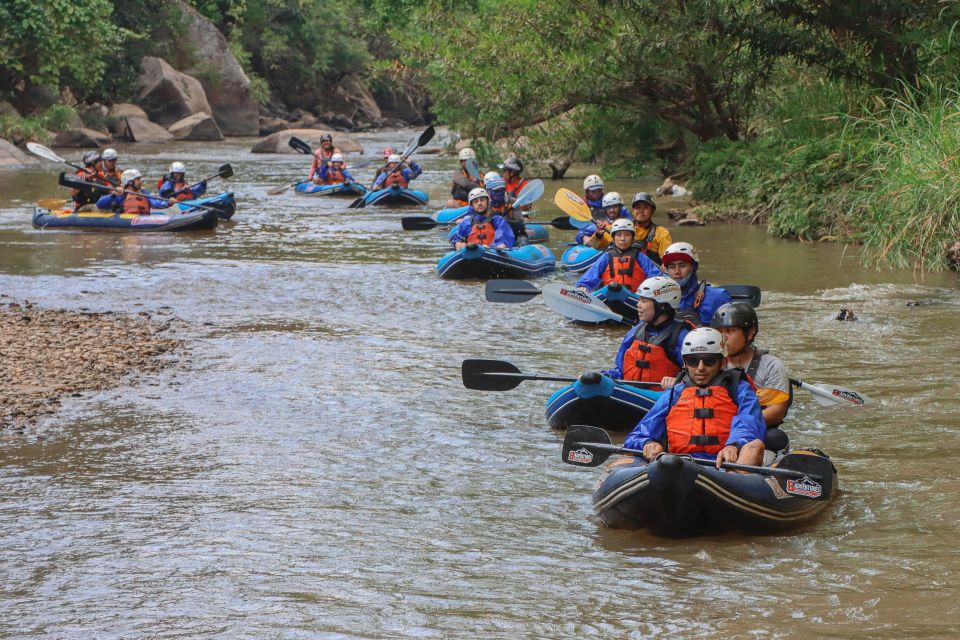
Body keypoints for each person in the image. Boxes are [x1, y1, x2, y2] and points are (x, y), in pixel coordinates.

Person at [623, 327, 766, 469]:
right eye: (693, 361)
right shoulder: (675, 393)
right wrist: (647, 443)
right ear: (685, 363)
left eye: (709, 361)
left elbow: (749, 421)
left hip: (724, 465)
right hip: (679, 466)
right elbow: (637, 435)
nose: (700, 367)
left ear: (721, 362)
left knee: (755, 446)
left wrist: (734, 445)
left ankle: (735, 481)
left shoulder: (738, 388)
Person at [602, 276, 693, 391]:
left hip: (661, 397)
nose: (638, 305)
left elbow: (696, 375)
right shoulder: (635, 331)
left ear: (663, 306)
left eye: (644, 301)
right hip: (631, 392)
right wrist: (603, 376)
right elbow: (620, 370)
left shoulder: (681, 337)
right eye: (639, 300)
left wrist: (678, 381)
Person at [711, 302, 791, 430]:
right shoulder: (706, 362)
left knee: (776, 438)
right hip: (715, 427)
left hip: (751, 429)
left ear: (750, 333)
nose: (723, 337)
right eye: (719, 331)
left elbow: (776, 412)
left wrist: (733, 423)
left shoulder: (771, 365)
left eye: (730, 331)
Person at [576, 218, 663, 291]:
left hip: (635, 296)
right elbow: (591, 274)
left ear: (632, 238)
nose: (622, 239)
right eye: (618, 235)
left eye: (627, 235)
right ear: (613, 238)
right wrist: (583, 286)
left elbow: (656, 277)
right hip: (608, 293)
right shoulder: (606, 256)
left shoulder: (639, 256)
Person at [661, 242, 731, 326]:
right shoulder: (659, 300)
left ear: (694, 267)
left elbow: (731, 334)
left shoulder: (718, 297)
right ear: (666, 270)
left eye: (682, 265)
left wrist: (699, 327)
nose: (677, 271)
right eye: (672, 267)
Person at [450, 188, 515, 250]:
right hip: (471, 253)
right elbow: (456, 239)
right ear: (472, 205)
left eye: (482, 200)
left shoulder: (498, 220)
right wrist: (458, 244)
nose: (479, 203)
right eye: (475, 201)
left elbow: (502, 242)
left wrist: (492, 247)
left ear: (487, 201)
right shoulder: (467, 222)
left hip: (492, 252)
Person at [97, 169, 170, 214]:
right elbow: (100, 204)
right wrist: (114, 195)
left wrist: (168, 202)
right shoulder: (122, 195)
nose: (140, 182)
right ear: (130, 182)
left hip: (142, 219)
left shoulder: (144, 193)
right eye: (138, 179)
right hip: (125, 220)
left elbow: (156, 202)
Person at [630, 192, 672, 264]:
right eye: (637, 207)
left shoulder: (662, 233)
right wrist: (602, 236)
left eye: (645, 207)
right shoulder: (622, 229)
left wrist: (665, 264)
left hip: (652, 273)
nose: (641, 211)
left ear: (652, 211)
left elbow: (668, 260)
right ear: (633, 211)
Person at [484, 172, 526, 241]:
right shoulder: (484, 204)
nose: (500, 193)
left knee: (523, 239)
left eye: (502, 190)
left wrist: (504, 221)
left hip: (510, 234)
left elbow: (521, 225)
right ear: (489, 192)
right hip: (490, 236)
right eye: (497, 191)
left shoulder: (513, 202)